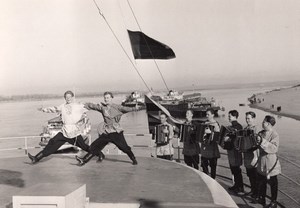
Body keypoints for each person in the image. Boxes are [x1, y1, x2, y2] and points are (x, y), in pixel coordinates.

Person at [75, 91, 139, 166]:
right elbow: (94, 106)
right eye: (105, 98)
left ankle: (133, 158)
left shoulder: (117, 107)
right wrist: (85, 104)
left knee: (124, 148)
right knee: (95, 146)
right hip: (107, 132)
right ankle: (84, 160)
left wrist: (135, 108)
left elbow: (126, 109)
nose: (106, 99)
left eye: (108, 98)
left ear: (111, 98)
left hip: (116, 132)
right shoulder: (103, 108)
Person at [28, 90, 90, 164]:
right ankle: (36, 158)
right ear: (64, 98)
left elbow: (91, 106)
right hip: (64, 132)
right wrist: (43, 109)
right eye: (66, 97)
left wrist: (102, 107)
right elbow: (53, 109)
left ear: (73, 97)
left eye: (70, 97)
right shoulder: (62, 106)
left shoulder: (79, 106)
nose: (68, 98)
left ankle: (99, 154)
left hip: (74, 132)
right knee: (52, 143)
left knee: (84, 146)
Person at [254, 115, 281, 208]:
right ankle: (262, 198)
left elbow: (274, 148)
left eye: (264, 121)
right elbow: (256, 145)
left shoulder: (275, 134)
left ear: (269, 124)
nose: (262, 123)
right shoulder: (260, 133)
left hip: (271, 162)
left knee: (273, 183)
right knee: (261, 182)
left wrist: (262, 141)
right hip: (261, 161)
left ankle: (274, 202)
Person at [226, 110, 244, 194]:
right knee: (233, 169)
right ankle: (237, 185)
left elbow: (238, 138)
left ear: (234, 116)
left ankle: (240, 187)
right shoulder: (232, 126)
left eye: (230, 116)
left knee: (236, 169)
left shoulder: (238, 126)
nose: (228, 117)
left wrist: (229, 137)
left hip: (235, 151)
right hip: (231, 151)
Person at [200, 108, 220, 179]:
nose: (207, 116)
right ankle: (206, 180)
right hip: (204, 149)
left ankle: (212, 181)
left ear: (213, 115)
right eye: (206, 114)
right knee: (204, 167)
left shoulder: (216, 124)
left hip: (212, 150)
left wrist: (211, 133)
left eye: (208, 114)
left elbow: (217, 138)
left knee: (213, 167)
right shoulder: (204, 123)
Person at [243, 111, 259, 198]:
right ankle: (253, 191)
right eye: (246, 118)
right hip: (247, 156)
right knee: (250, 175)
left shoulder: (257, 129)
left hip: (254, 157)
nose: (247, 120)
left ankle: (257, 194)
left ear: (253, 118)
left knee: (255, 176)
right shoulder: (245, 129)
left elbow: (258, 143)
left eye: (249, 118)